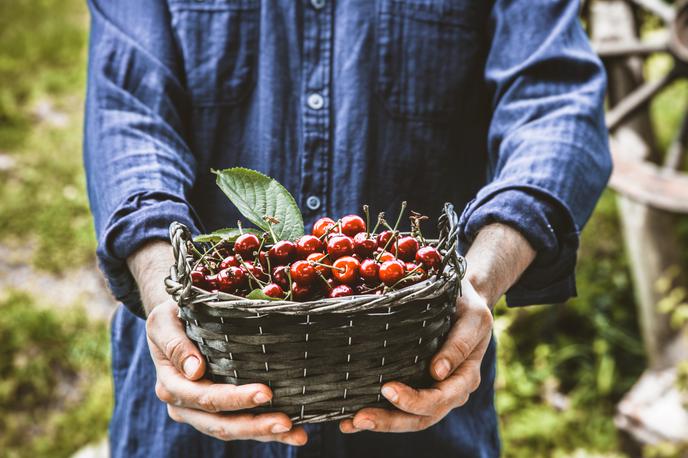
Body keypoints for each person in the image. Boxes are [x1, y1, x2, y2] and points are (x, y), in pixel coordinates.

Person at [84, 0, 611, 456]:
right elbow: (127, 110)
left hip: (416, 374)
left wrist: (480, 276)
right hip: (199, 377)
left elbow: (555, 101)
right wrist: (164, 289)